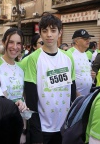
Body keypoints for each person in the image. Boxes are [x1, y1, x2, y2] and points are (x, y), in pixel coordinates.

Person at [24, 12, 76, 144]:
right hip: (43, 129)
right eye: (45, 30)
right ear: (40, 33)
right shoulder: (33, 59)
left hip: (64, 127)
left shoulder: (68, 57)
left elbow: (72, 90)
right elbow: (31, 99)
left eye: (53, 30)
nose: (49, 34)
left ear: (60, 33)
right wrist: (36, 133)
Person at [0, 27, 27, 144]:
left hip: (18, 121)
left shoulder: (22, 67)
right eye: (11, 42)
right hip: (0, 122)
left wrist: (23, 128)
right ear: (3, 42)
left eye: (18, 43)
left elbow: (22, 97)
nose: (15, 47)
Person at [68, 29, 96, 96]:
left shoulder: (85, 54)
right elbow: (67, 78)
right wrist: (75, 93)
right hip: (74, 98)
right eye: (85, 39)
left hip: (86, 96)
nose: (88, 40)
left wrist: (92, 77)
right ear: (76, 41)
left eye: (89, 38)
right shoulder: (69, 54)